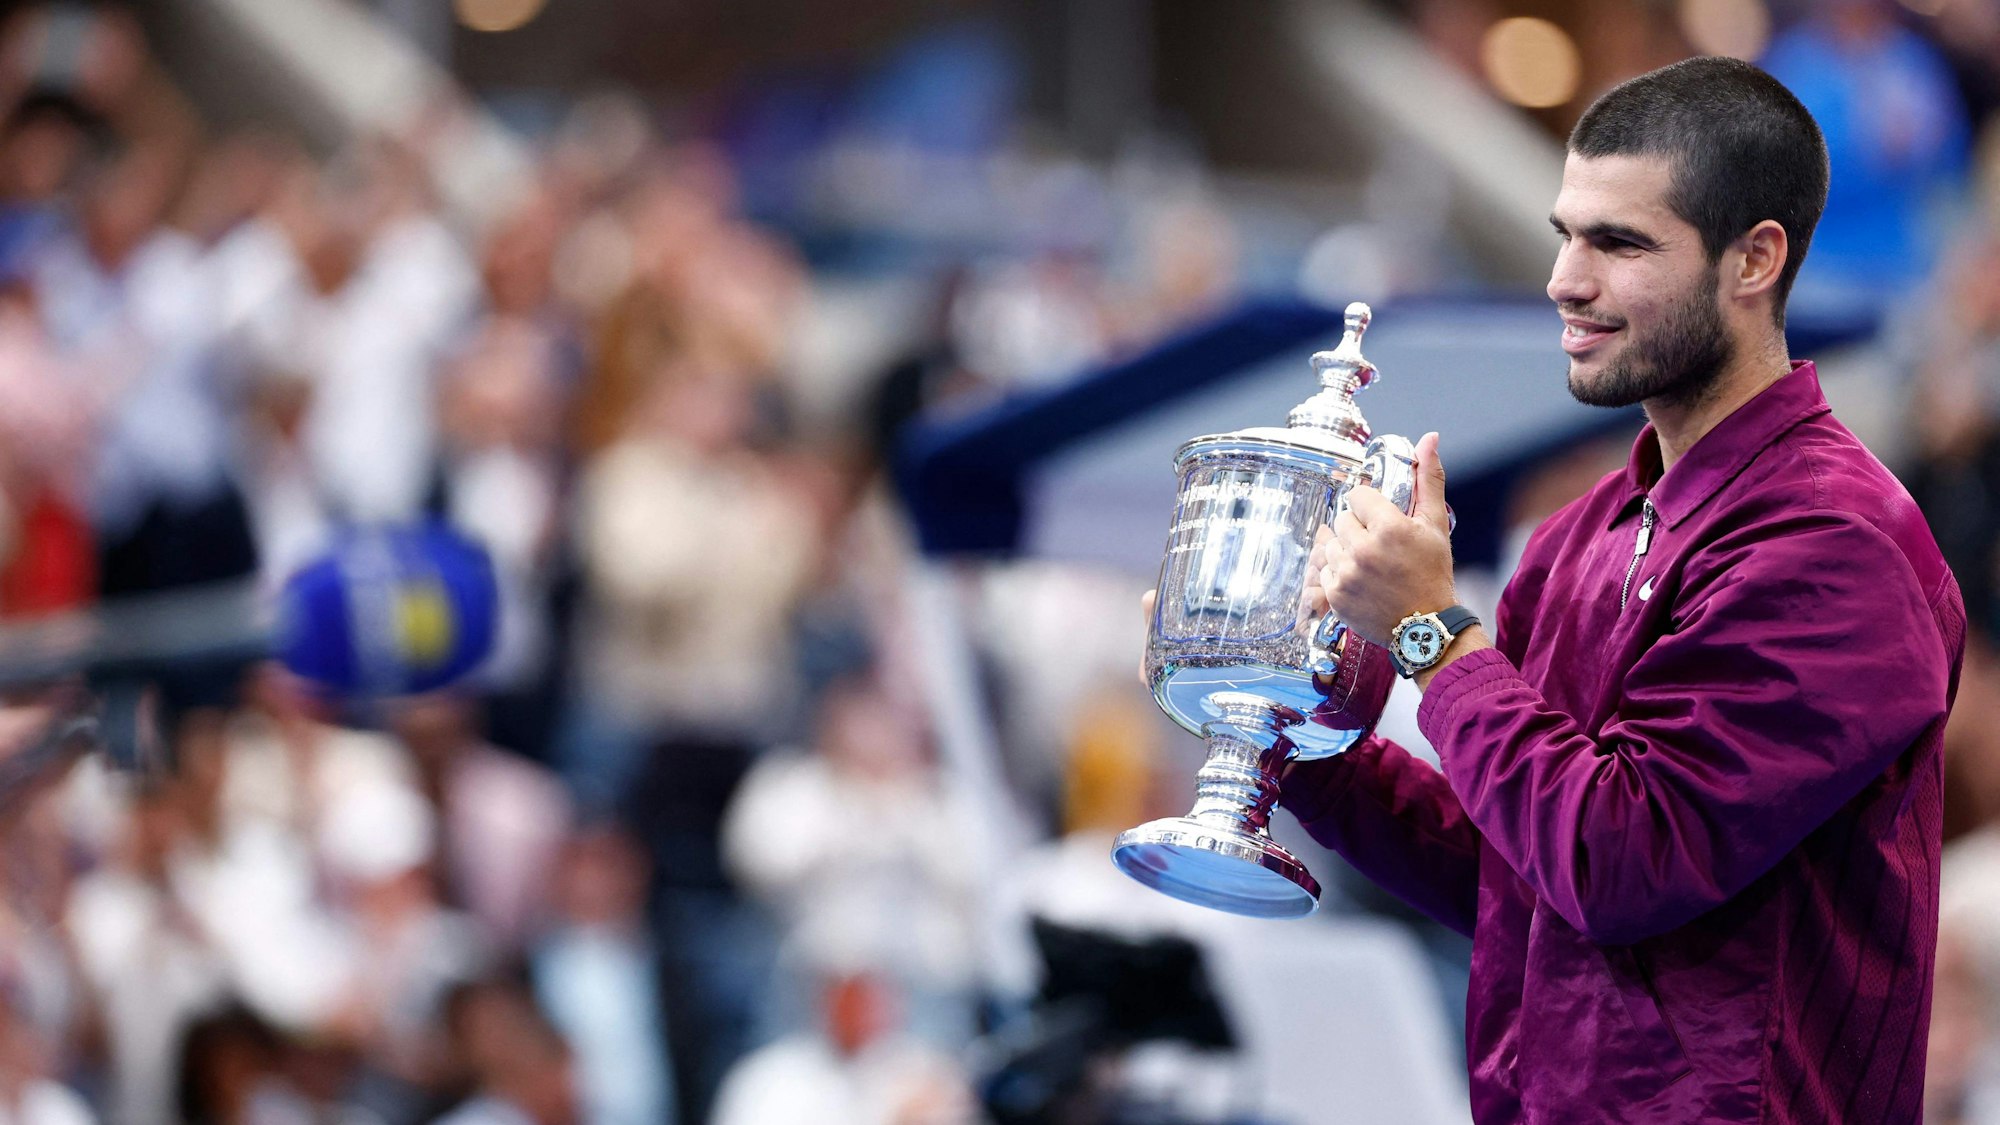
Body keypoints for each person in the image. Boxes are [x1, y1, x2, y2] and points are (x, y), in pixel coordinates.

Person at [1293, 57, 1964, 1122]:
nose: (1564, 278)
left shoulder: (1836, 545)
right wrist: (1296, 749)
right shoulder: (1576, 540)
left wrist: (1429, 633)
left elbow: (1620, 858)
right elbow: (1517, 876)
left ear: (1752, 261)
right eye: (1566, 233)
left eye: (1617, 243)